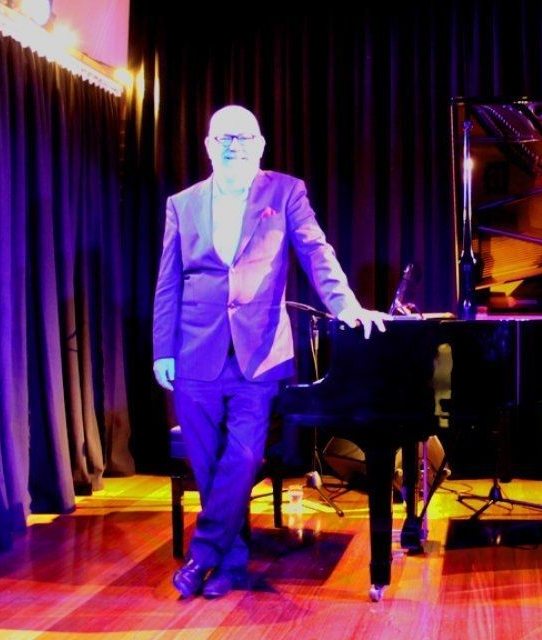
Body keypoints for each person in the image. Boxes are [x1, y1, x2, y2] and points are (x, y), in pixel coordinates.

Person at [152, 105, 387, 599]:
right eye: (223, 138)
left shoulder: (285, 192)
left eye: (243, 137)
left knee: (243, 456)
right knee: (207, 462)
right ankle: (232, 563)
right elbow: (168, 281)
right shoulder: (182, 203)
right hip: (194, 351)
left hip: (258, 355)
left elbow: (316, 251)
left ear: (261, 145)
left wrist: (345, 304)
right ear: (208, 145)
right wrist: (162, 349)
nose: (233, 146)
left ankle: (201, 558)